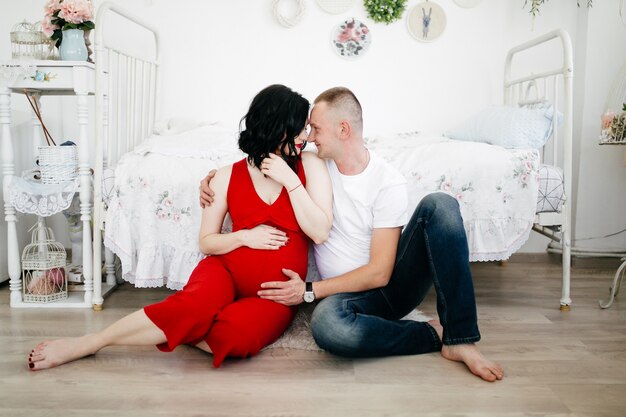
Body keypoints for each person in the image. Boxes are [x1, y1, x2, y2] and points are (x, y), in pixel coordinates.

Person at [200, 87, 504, 382]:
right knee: (328, 326)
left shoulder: (387, 182)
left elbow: (380, 273)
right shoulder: (315, 163)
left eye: (315, 129)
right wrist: (213, 179)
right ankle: (433, 335)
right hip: (344, 297)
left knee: (440, 205)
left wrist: (309, 290)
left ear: (343, 129)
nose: (308, 137)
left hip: (390, 287)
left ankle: (461, 337)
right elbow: (263, 153)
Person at [28, 84, 333, 371]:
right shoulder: (226, 176)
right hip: (224, 271)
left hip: (274, 293)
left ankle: (181, 324)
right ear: (276, 127)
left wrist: (289, 178)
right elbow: (207, 242)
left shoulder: (310, 166)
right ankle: (90, 342)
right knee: (190, 309)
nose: (304, 137)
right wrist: (244, 236)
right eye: (298, 129)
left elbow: (319, 231)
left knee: (236, 338)